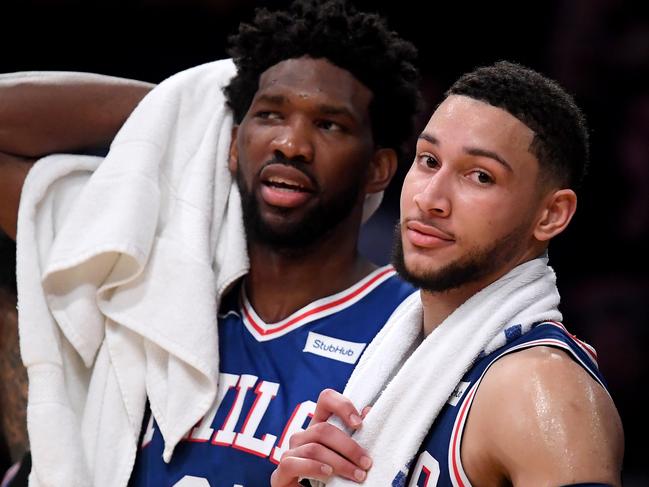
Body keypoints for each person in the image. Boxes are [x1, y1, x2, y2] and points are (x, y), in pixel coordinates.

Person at [0, 1, 422, 486]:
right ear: (231, 143)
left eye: (329, 125)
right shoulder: (149, 286)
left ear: (378, 168)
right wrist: (178, 105)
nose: (291, 144)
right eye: (270, 115)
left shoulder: (413, 328)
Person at [271, 61, 625, 486]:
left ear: (551, 214)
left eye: (480, 176)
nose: (431, 198)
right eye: (429, 160)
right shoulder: (392, 355)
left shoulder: (540, 389)